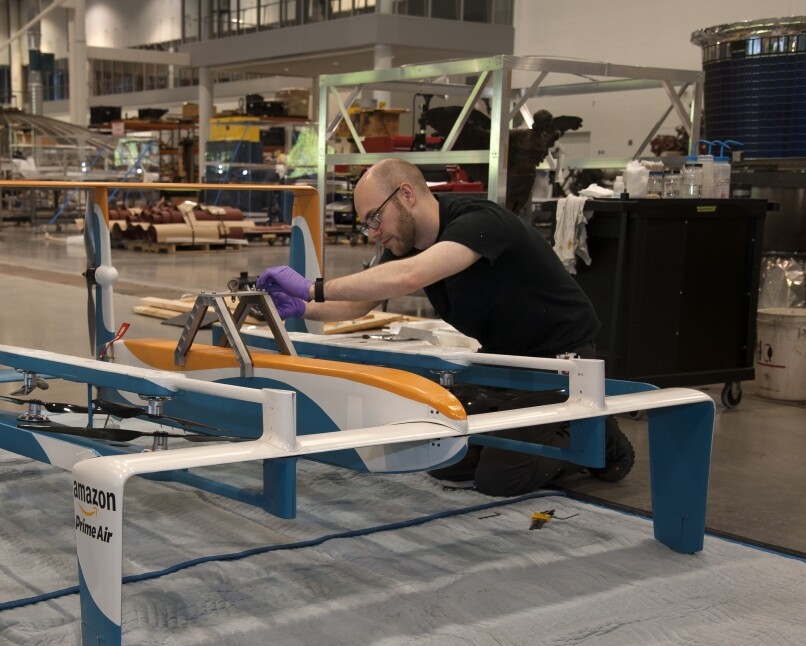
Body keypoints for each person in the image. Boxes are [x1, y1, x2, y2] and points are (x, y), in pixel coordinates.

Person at [256, 157, 633, 497]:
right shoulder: (406, 243)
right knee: (446, 460)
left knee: (501, 479)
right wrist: (300, 307)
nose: (372, 232)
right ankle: (534, 429)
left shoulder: (480, 223)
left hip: (559, 361)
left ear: (406, 194)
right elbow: (358, 302)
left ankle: (597, 438)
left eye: (374, 218)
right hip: (504, 360)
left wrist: (311, 286)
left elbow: (408, 277)